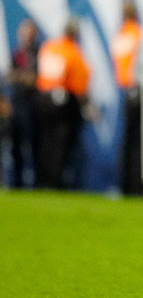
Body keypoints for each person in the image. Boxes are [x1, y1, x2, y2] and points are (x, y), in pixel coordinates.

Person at [34, 19, 90, 189]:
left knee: (44, 140)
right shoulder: (72, 51)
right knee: (60, 143)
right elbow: (80, 81)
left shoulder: (49, 47)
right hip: (63, 101)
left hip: (43, 98)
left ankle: (42, 179)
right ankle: (54, 181)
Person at [111, 0, 143, 194]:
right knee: (138, 140)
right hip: (137, 91)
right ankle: (135, 184)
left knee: (127, 139)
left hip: (125, 90)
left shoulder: (120, 36)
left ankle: (125, 183)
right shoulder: (137, 34)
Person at [8, 19, 40, 188]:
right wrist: (24, 77)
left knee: (34, 145)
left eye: (29, 34)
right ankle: (16, 183)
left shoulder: (39, 53)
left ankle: (37, 183)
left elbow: (36, 79)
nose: (26, 37)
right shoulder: (16, 53)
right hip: (18, 105)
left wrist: (24, 78)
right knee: (16, 146)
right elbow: (11, 77)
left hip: (34, 106)